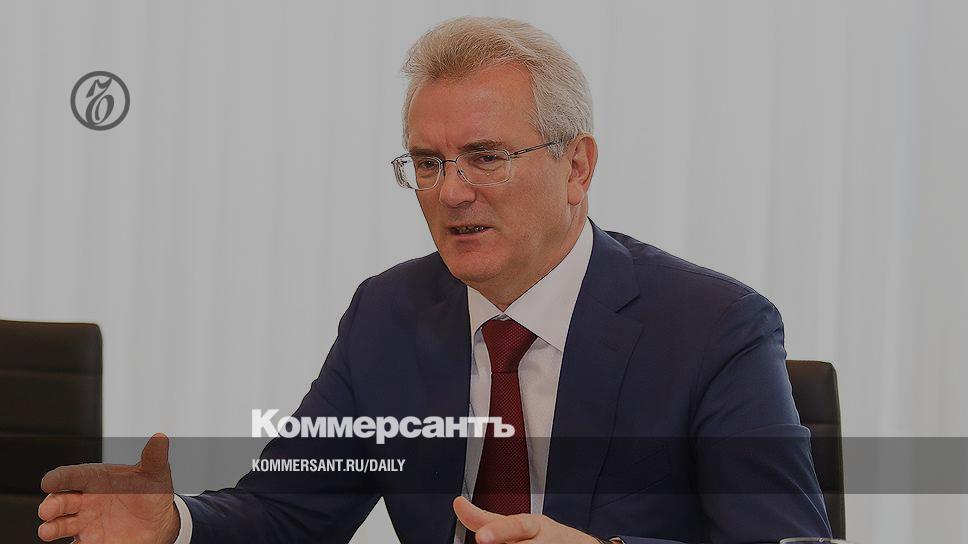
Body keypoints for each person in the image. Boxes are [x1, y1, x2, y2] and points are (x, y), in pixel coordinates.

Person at [37, 16, 832, 544]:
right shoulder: (388, 313)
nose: (451, 192)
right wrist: (175, 524)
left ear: (577, 167)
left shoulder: (711, 327)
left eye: (486, 157)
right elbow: (288, 511)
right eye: (426, 163)